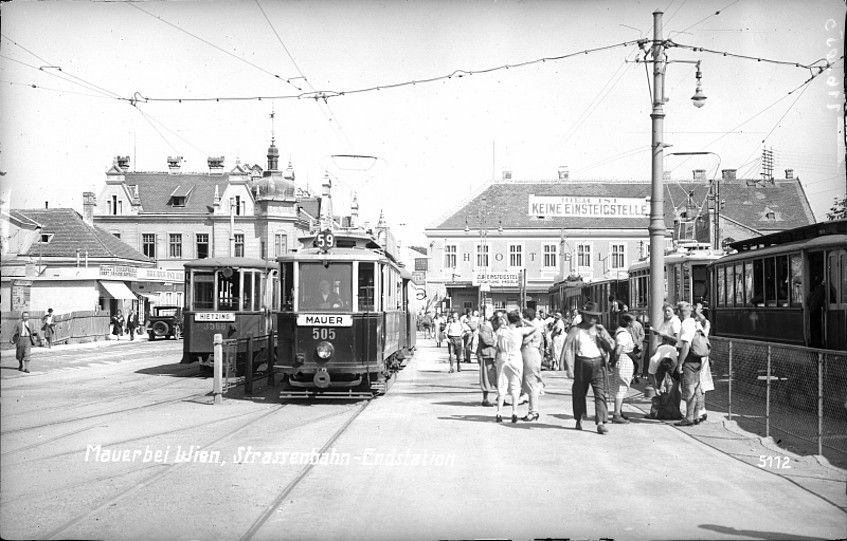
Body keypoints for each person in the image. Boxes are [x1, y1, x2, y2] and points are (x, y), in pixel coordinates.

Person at [561, 301, 615, 434]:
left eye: (595, 316)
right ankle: (579, 418)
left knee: (600, 393)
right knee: (579, 392)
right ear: (583, 315)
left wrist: (604, 337)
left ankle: (601, 422)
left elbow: (612, 346)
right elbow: (566, 346)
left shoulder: (600, 329)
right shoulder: (576, 329)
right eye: (590, 315)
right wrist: (567, 366)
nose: (593, 319)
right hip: (581, 363)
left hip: (598, 363)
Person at [494, 310, 539, 423]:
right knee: (516, 385)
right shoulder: (519, 331)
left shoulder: (501, 331)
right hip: (515, 357)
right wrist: (521, 319)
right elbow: (534, 326)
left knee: (502, 385)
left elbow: (497, 342)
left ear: (508, 319)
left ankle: (499, 412)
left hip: (503, 357)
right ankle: (514, 412)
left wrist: (504, 324)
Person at [675, 301, 711, 427]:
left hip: (689, 358)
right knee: (697, 388)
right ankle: (697, 415)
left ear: (679, 312)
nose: (679, 313)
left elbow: (686, 345)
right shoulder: (695, 322)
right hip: (698, 358)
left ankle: (689, 418)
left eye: (680, 311)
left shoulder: (685, 323)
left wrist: (680, 364)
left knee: (689, 389)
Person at [520, 307, 547, 422]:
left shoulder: (533, 328)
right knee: (530, 384)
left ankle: (533, 411)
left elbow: (525, 341)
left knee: (532, 384)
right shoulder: (533, 327)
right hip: (531, 354)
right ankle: (532, 410)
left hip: (530, 353)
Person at [611, 313, 637, 423]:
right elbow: (618, 350)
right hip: (624, 360)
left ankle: (619, 411)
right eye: (633, 321)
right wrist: (613, 362)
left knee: (620, 387)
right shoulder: (623, 334)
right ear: (629, 322)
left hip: (623, 360)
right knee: (622, 387)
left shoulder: (620, 331)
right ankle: (617, 414)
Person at [477, 314, 499, 406]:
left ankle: (500, 398)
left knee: (496, 377)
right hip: (486, 355)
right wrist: (497, 342)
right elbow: (486, 340)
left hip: (492, 355)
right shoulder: (485, 328)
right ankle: (485, 399)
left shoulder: (491, 329)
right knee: (486, 378)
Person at [627, 311, 645, 382]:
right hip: (638, 346)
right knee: (636, 362)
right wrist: (639, 342)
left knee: (632, 362)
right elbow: (642, 335)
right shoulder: (638, 324)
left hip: (632, 346)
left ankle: (632, 376)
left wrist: (636, 342)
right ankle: (635, 375)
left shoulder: (628, 325)